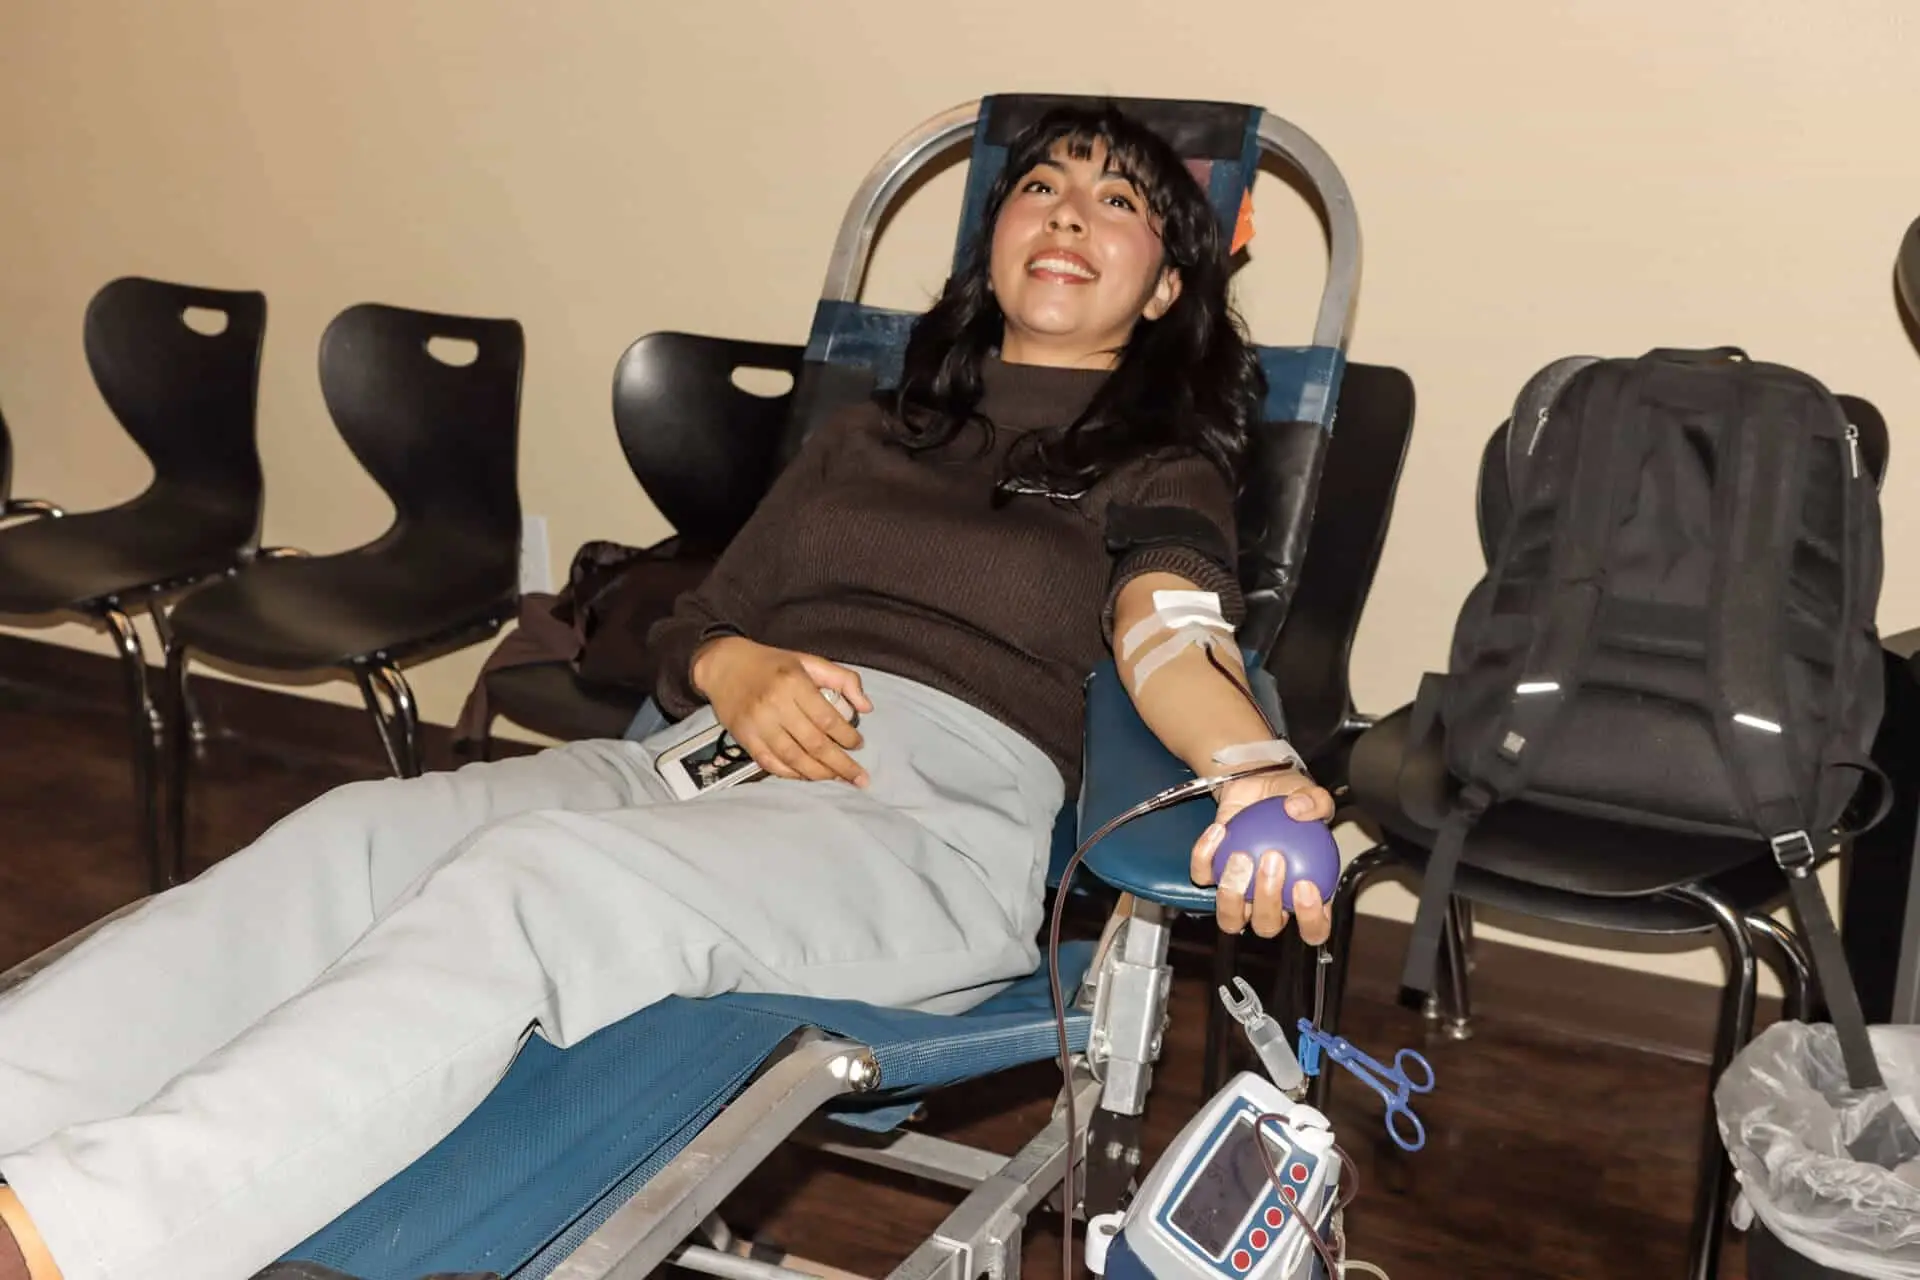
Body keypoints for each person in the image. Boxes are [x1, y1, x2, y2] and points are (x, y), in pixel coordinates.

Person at [0, 102, 1336, 1280]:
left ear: (1165, 288)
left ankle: (74, 1238)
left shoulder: (1160, 464)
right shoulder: (875, 435)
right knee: (351, 838)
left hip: (921, 824)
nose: (1067, 214)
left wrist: (1251, 769)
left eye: (1120, 203)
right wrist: (733, 667)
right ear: (992, 239)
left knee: (532, 890)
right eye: (1042, 185)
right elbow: (697, 624)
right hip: (689, 764)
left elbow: (1172, 630)